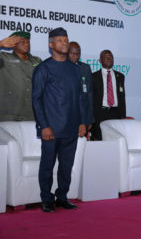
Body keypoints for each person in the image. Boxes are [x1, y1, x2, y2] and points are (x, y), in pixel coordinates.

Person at [32, 27, 87, 213]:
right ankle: (46, 199)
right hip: (51, 129)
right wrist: (43, 125)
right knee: (47, 165)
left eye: (66, 39)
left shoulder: (74, 69)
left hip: (71, 127)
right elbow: (36, 99)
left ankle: (62, 196)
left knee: (67, 166)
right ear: (51, 45)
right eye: (60, 40)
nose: (64, 43)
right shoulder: (43, 69)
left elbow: (79, 97)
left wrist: (82, 122)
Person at [0, 32, 42, 121]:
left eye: (28, 41)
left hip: (32, 115)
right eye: (22, 41)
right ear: (13, 44)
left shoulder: (37, 61)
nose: (26, 43)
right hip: (9, 115)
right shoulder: (4, 57)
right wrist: (0, 44)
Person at [91, 50, 126, 141]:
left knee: (115, 141)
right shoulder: (93, 77)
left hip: (116, 114)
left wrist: (123, 115)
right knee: (100, 141)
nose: (109, 59)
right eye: (106, 57)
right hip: (99, 114)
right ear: (100, 60)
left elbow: (122, 97)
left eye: (111, 57)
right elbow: (90, 99)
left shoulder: (120, 76)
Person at [68, 42, 94, 136]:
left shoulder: (85, 68)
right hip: (66, 115)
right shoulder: (61, 67)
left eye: (78, 53)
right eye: (72, 53)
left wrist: (90, 119)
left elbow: (89, 94)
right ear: (67, 52)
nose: (75, 56)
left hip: (82, 116)